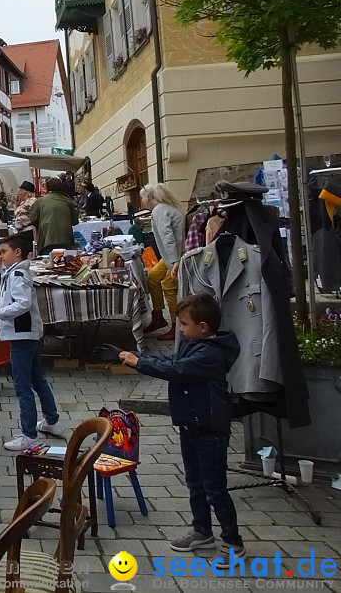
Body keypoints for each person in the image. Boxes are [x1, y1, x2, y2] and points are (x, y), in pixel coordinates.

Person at [120, 294, 245, 565]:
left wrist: (138, 362)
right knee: (194, 484)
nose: (181, 330)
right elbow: (171, 362)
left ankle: (233, 542)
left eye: (184, 324)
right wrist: (138, 357)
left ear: (203, 327)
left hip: (210, 429)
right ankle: (202, 531)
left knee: (215, 488)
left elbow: (177, 369)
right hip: (191, 424)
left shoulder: (210, 353)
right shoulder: (193, 343)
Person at [0, 234, 66, 451]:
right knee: (37, 379)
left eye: (4, 251)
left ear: (18, 253)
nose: (1, 255)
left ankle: (29, 434)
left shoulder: (18, 274)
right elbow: (4, 284)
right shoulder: (15, 271)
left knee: (22, 386)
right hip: (28, 334)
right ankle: (52, 421)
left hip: (21, 336)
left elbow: (22, 303)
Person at [141, 183, 186, 341]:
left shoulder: (160, 211)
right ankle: (158, 317)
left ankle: (177, 326)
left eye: (142, 197)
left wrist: (174, 262)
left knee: (168, 285)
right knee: (152, 277)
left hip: (176, 256)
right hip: (172, 255)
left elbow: (168, 238)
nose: (141, 200)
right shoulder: (167, 208)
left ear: (149, 198)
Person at [30, 177, 77, 255]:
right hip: (66, 239)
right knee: (66, 263)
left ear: (47, 187)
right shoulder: (68, 200)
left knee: (46, 264)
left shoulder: (40, 202)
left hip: (46, 240)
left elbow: (33, 220)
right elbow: (75, 221)